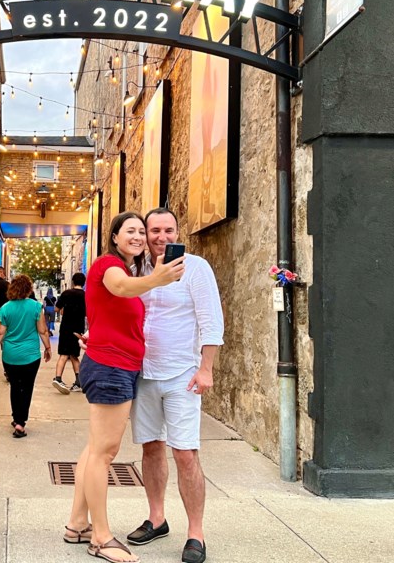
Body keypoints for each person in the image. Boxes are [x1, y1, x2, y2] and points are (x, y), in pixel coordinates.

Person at [64, 211, 184, 563]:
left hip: (116, 364)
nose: (137, 236)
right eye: (129, 231)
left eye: (140, 232)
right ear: (114, 237)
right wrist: (159, 278)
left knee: (94, 449)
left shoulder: (131, 271)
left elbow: (113, 309)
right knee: (105, 454)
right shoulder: (106, 265)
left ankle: (76, 523)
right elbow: (118, 288)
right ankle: (101, 538)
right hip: (111, 367)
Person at [125, 208, 224, 563]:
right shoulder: (136, 269)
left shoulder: (195, 268)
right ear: (145, 234)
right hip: (143, 373)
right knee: (151, 449)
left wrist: (206, 368)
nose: (161, 236)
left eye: (168, 230)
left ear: (178, 232)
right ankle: (157, 517)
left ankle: (195, 532)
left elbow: (211, 320)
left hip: (182, 375)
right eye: (154, 230)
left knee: (185, 453)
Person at [0, 274, 52, 438]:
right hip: (30, 356)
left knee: (15, 387)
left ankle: (16, 417)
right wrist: (47, 348)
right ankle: (20, 422)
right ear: (29, 289)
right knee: (27, 387)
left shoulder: (6, 308)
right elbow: (43, 331)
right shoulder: (36, 307)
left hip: (10, 356)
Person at [52, 273, 87, 394]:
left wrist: (64, 308)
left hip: (66, 327)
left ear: (72, 282)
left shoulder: (66, 293)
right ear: (84, 282)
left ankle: (58, 378)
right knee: (74, 355)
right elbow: (88, 313)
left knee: (63, 353)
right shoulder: (86, 296)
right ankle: (78, 381)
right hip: (78, 328)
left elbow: (56, 309)